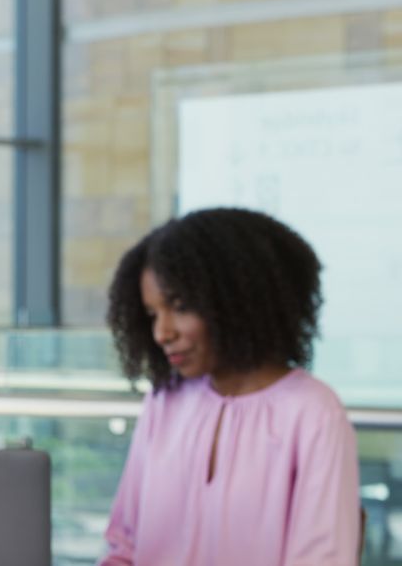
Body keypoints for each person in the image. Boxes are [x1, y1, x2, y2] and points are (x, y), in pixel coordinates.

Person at [100, 207, 360, 565]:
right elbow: (124, 547)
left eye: (180, 306)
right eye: (152, 315)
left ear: (238, 299)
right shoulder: (166, 400)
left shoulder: (312, 411)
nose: (163, 333)